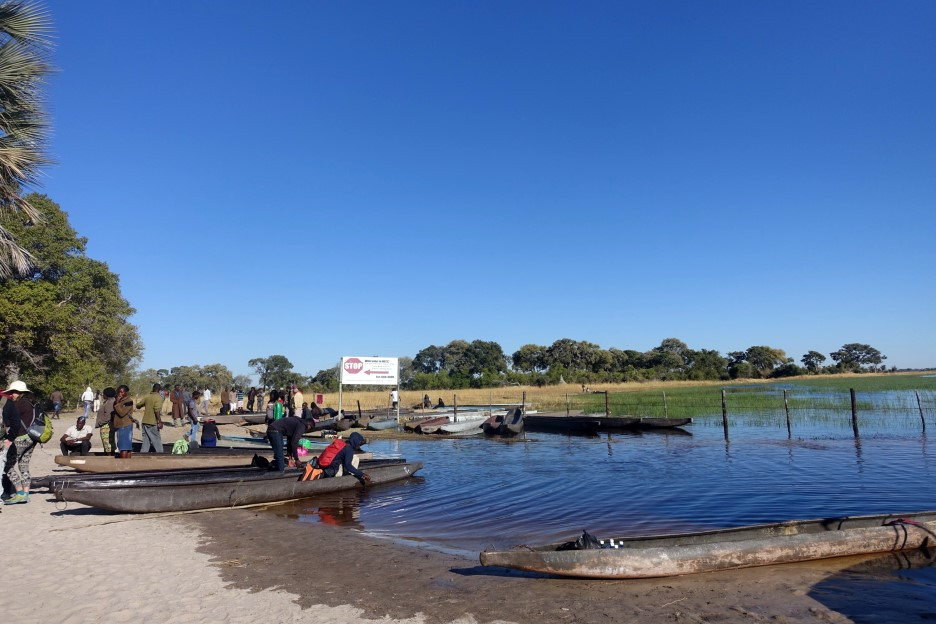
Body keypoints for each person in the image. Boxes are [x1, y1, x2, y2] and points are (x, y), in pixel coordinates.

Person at [2, 380, 36, 504]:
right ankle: (26, 494)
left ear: (20, 392)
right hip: (31, 438)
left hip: (20, 439)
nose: (11, 395)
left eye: (14, 392)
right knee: (24, 466)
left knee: (7, 466)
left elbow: (10, 420)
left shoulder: (19, 404)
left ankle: (20, 492)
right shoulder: (31, 403)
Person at [136, 383, 165, 453]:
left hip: (145, 422)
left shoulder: (147, 396)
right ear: (159, 390)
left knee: (146, 441)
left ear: (153, 388)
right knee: (157, 440)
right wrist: (159, 421)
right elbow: (157, 411)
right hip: (153, 422)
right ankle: (161, 456)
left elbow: (138, 405)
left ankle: (142, 456)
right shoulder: (159, 398)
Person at [112, 385, 136, 459]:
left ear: (126, 392)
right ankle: (127, 464)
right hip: (121, 426)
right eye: (119, 392)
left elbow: (121, 413)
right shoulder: (120, 400)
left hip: (125, 426)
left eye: (122, 392)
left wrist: (117, 403)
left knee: (124, 448)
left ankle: (123, 464)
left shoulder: (128, 401)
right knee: (126, 447)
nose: (120, 394)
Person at [95, 387, 117, 454]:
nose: (103, 395)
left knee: (107, 444)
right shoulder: (110, 401)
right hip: (108, 425)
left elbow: (108, 416)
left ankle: (109, 458)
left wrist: (100, 423)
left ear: (107, 394)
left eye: (103, 394)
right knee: (109, 443)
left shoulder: (110, 403)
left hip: (106, 426)